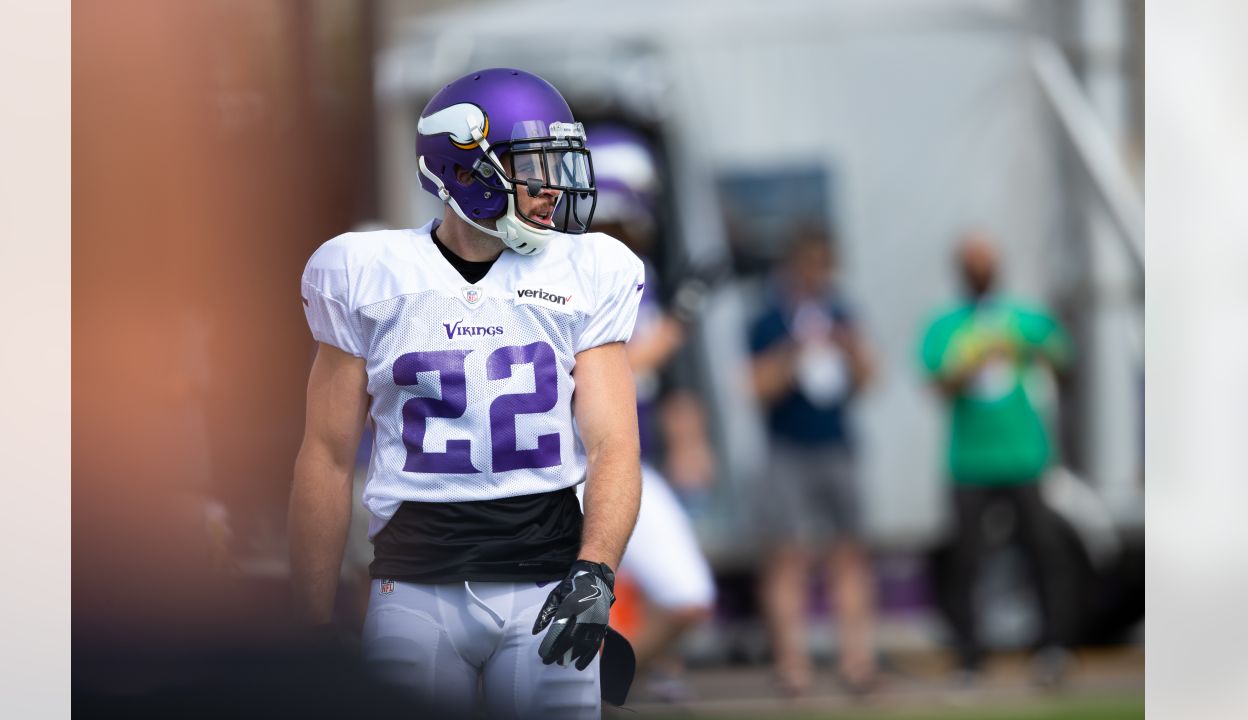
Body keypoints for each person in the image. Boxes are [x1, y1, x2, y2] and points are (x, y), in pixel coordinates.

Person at [289, 68, 644, 719]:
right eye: (534, 166)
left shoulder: (589, 270)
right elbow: (327, 454)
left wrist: (596, 570)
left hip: (548, 581)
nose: (553, 188)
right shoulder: (367, 274)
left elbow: (614, 442)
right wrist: (309, 622)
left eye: (559, 163)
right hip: (414, 587)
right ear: (467, 168)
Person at [583, 124, 716, 698]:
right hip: (562, 468)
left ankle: (599, 690)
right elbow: (598, 376)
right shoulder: (564, 275)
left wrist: (688, 438)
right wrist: (677, 327)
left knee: (689, 597)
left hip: (627, 460)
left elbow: (660, 380)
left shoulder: (637, 272)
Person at [919, 231, 1075, 687]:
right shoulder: (946, 326)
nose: (980, 269)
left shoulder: (1025, 319)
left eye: (986, 260)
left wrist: (1031, 349)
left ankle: (1054, 649)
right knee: (966, 560)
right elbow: (937, 387)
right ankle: (969, 656)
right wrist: (973, 360)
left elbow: (1065, 364)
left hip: (1024, 455)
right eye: (973, 261)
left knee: (1044, 552)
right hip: (968, 460)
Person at [748, 227, 879, 695]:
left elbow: (869, 381)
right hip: (788, 449)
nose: (817, 276)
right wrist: (794, 352)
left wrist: (848, 347)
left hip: (836, 446)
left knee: (849, 556)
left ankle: (856, 662)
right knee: (787, 559)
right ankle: (792, 665)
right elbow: (755, 389)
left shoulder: (843, 315)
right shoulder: (768, 322)